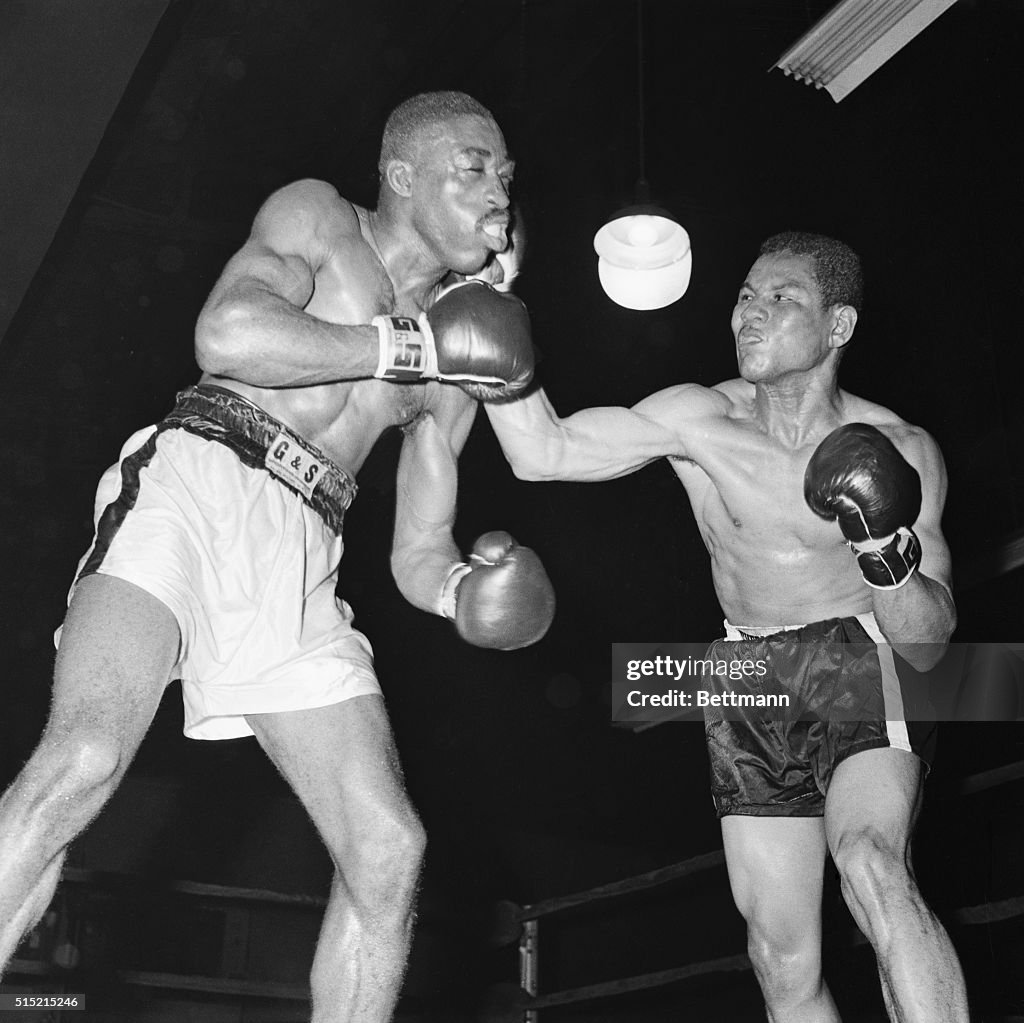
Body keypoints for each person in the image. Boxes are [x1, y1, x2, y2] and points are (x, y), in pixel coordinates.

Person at [0, 90, 554, 1021]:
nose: (497, 189)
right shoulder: (320, 218)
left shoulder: (455, 370)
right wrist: (405, 346)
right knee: (86, 756)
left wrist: (466, 585)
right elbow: (226, 333)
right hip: (203, 474)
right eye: (473, 166)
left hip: (307, 550)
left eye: (504, 175)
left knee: (388, 847)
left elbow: (417, 550)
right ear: (402, 174)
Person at [485, 231, 969, 1021]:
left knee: (872, 862)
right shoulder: (698, 418)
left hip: (858, 655)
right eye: (746, 294)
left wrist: (886, 553)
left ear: (838, 327)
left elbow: (928, 640)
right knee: (781, 958)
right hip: (747, 671)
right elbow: (546, 452)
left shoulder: (903, 448)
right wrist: (494, 341)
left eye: (782, 298)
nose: (751, 311)